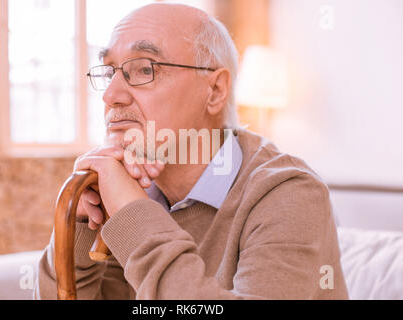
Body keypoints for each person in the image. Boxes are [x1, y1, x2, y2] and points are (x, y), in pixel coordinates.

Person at [35, 3, 348, 299]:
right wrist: (79, 231)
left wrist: (133, 214)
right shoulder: (133, 185)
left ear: (214, 91)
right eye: (110, 72)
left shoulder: (291, 195)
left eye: (144, 69)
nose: (111, 96)